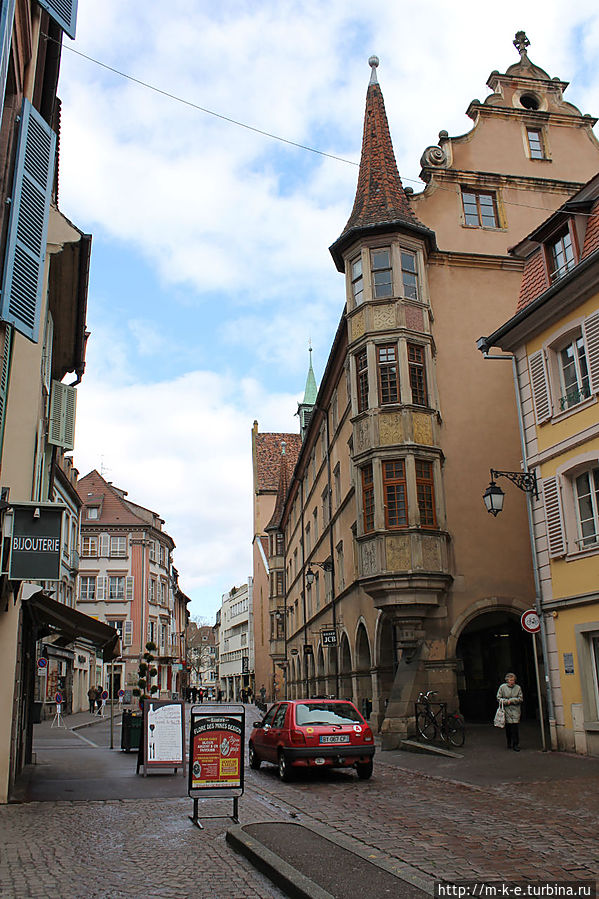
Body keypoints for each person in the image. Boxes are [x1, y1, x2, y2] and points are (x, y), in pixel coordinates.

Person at [497, 672, 523, 751]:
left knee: (515, 728)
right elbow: (498, 698)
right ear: (507, 680)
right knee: (508, 728)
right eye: (510, 680)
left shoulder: (518, 688)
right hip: (506, 711)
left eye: (513, 680)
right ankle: (509, 742)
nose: (512, 682)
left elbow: (520, 698)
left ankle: (516, 744)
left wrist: (511, 701)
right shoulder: (502, 687)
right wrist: (505, 702)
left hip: (515, 710)